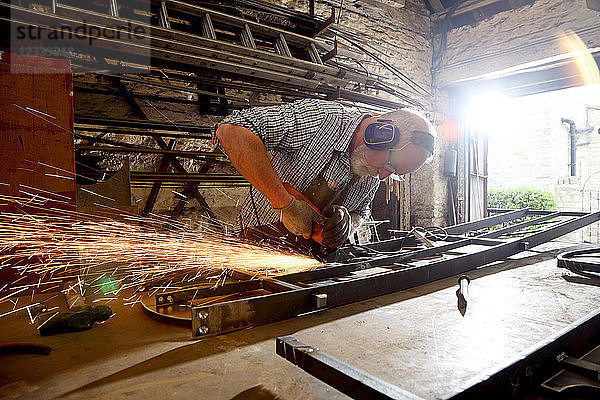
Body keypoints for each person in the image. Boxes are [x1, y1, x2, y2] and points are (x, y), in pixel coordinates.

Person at [215, 98, 435, 252]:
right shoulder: (318, 120)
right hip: (255, 246)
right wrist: (284, 203)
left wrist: (349, 224)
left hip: (313, 261)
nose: (383, 176)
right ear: (378, 134)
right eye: (390, 166)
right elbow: (231, 130)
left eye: (394, 174)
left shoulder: (373, 167)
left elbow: (361, 211)